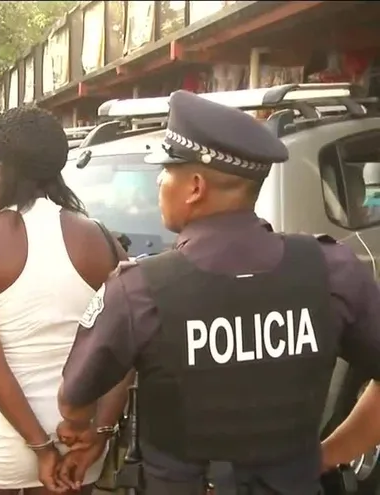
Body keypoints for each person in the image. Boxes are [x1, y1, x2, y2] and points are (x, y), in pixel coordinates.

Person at [56, 90, 380, 494]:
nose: (159, 180)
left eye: (166, 169)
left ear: (194, 186)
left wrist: (81, 429)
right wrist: (330, 453)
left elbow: (73, 399)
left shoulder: (140, 289)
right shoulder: (332, 270)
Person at [0, 106, 131, 495]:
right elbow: (123, 351)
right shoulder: (101, 240)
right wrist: (100, 433)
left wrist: (40, 448)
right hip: (79, 445)